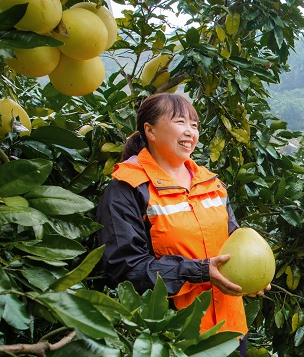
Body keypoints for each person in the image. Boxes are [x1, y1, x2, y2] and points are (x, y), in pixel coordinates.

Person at [97, 93, 266, 337]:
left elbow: (234, 244)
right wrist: (198, 271)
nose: (190, 132)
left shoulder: (210, 184)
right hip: (170, 332)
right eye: (180, 122)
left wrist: (252, 275)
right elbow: (124, 269)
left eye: (194, 125)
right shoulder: (128, 188)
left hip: (229, 329)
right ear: (150, 131)